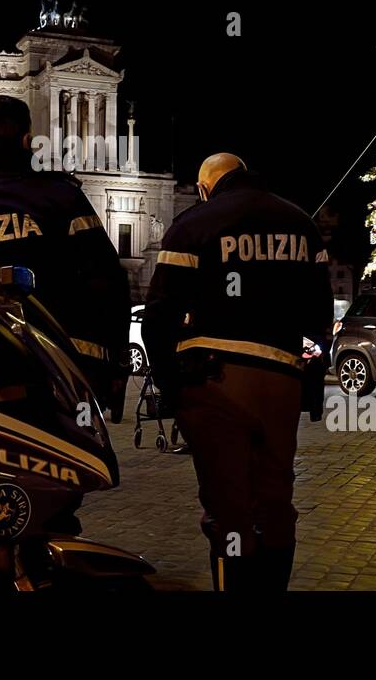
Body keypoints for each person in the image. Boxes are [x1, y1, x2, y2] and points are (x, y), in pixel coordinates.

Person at [142, 153, 332, 591]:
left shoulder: (195, 224)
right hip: (281, 378)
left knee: (229, 506)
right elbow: (319, 316)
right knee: (275, 501)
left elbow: (159, 317)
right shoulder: (300, 221)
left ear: (207, 187)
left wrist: (172, 388)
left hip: (216, 381)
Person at [0, 95, 131, 422]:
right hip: (54, 373)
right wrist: (114, 367)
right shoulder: (62, 195)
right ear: (27, 141)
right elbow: (107, 282)